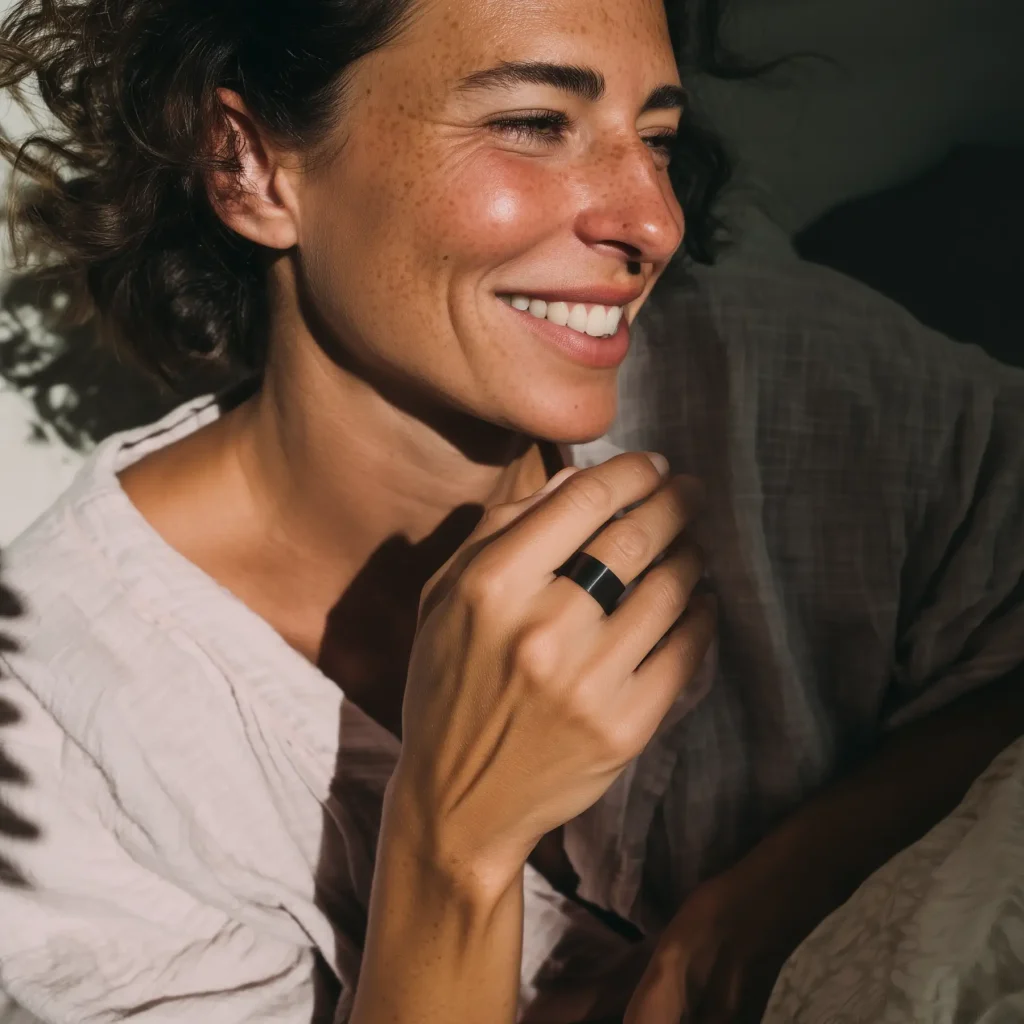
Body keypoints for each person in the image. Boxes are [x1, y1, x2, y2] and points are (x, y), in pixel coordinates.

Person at [0, 2, 1022, 1024]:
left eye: (657, 138)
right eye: (534, 123)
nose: (654, 222)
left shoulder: (783, 380)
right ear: (250, 167)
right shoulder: (64, 736)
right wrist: (453, 850)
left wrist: (766, 899)